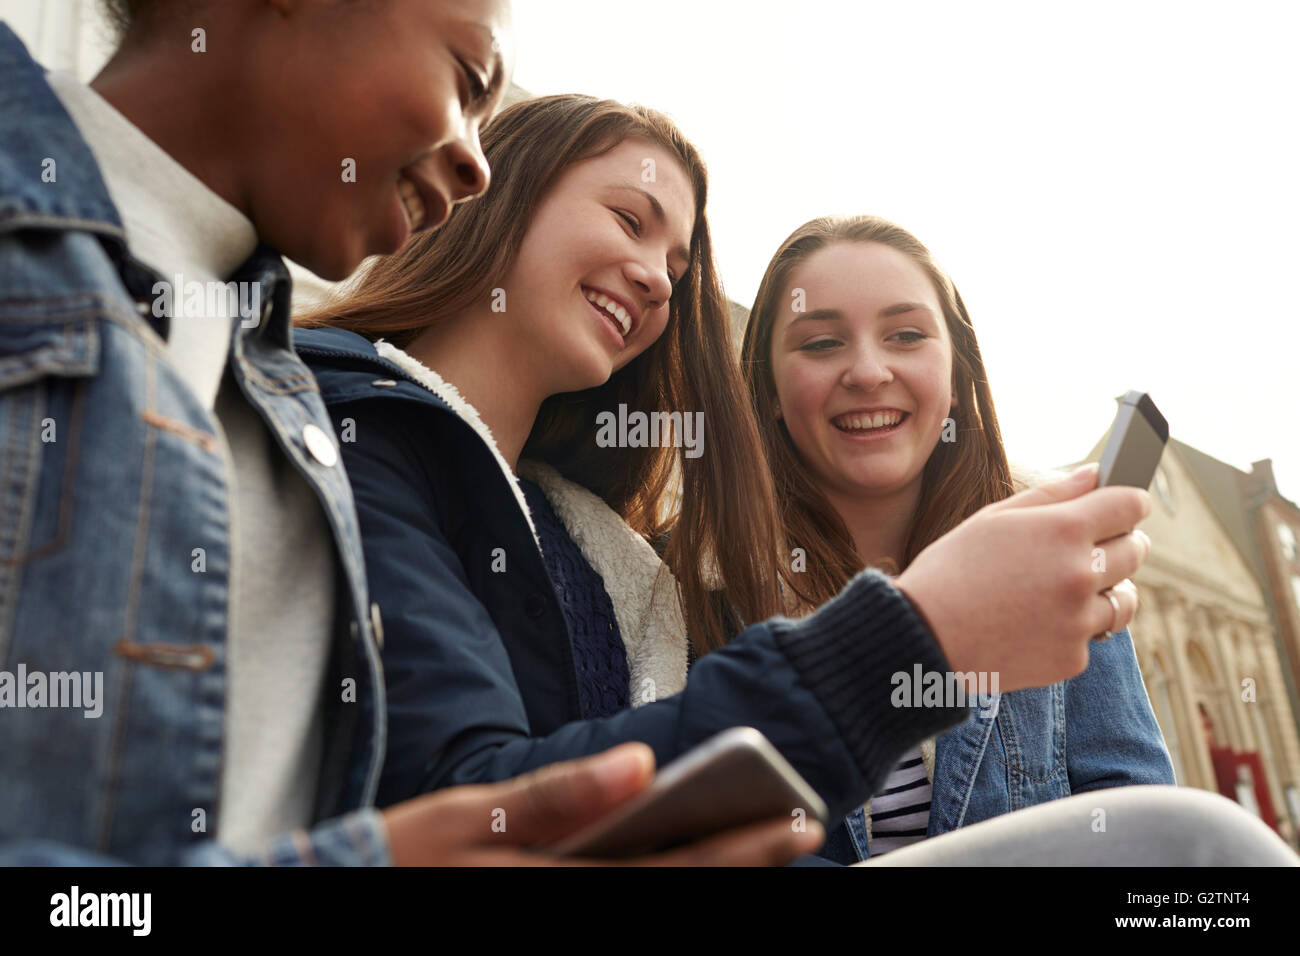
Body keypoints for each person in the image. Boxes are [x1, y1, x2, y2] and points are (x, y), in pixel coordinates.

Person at [0, 0, 817, 868]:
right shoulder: (353, 420)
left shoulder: (275, 392)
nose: (474, 160)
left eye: (679, 269)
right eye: (468, 81)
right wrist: (888, 652)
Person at [292, 94, 1154, 841]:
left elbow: (1149, 835)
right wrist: (915, 639)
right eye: (631, 220)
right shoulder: (352, 429)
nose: (662, 281)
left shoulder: (611, 561)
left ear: (962, 374)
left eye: (679, 265)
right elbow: (474, 802)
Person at [740, 215, 1175, 862]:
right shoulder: (699, 587)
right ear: (770, 388)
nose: (866, 370)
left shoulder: (1053, 556)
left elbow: (1139, 831)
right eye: (822, 342)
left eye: (906, 334)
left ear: (957, 374)